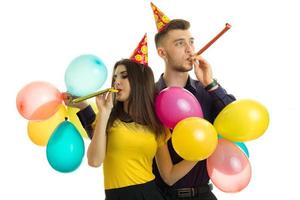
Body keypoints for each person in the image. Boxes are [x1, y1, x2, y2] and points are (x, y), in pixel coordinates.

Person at [67, 34, 198, 200]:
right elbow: (94, 161)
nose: (117, 82)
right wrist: (104, 113)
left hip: (151, 194)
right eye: (114, 77)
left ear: (139, 81)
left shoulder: (156, 124)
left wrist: (200, 154)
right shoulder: (107, 119)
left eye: (124, 76)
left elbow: (169, 176)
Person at [150, 3, 236, 200]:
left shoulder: (207, 91)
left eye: (191, 42)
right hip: (162, 196)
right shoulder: (149, 96)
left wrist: (211, 83)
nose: (190, 50)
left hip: (204, 195)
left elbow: (235, 121)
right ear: (162, 53)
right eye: (180, 43)